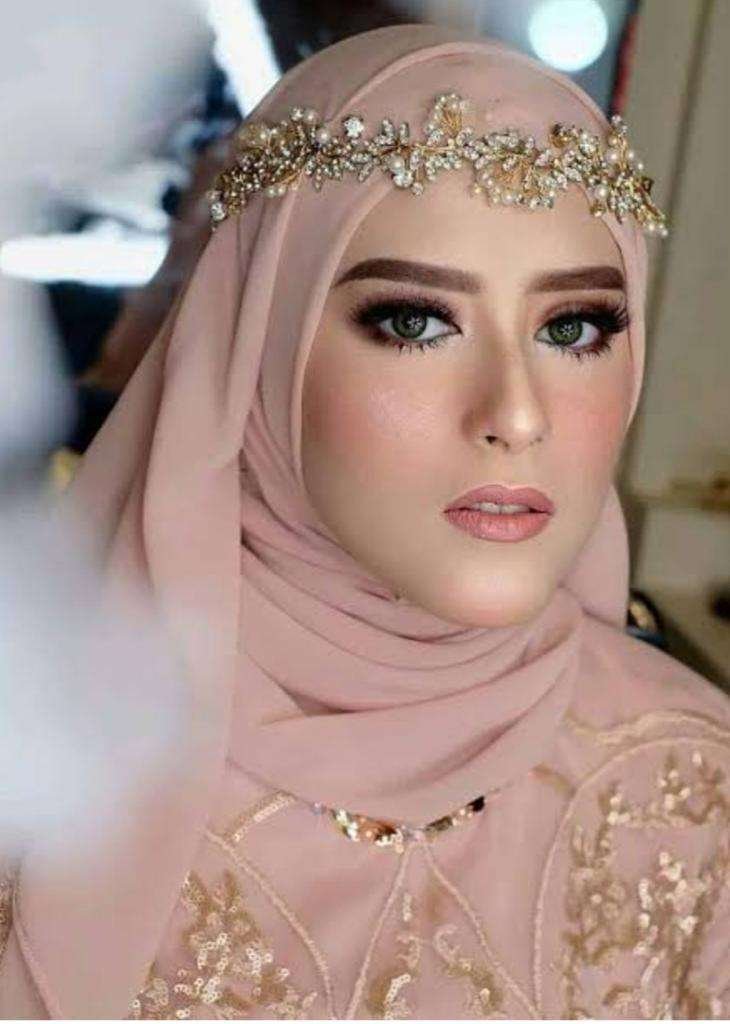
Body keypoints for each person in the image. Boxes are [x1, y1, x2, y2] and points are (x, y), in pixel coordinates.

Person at [2, 22, 729, 1020]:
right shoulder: (42, 764)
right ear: (261, 346)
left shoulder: (690, 780)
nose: (516, 415)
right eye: (414, 322)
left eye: (573, 328)